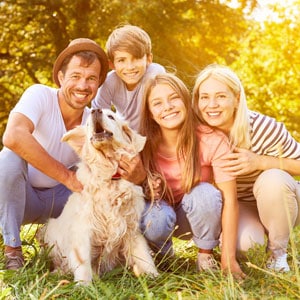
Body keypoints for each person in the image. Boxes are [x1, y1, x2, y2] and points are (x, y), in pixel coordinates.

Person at [0, 38, 109, 270]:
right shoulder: (40, 95)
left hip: (60, 203)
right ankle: (12, 250)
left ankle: (62, 245)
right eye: (76, 76)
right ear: (61, 77)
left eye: (91, 78)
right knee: (7, 159)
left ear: (98, 83)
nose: (83, 85)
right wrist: (68, 177)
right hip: (21, 197)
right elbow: (13, 136)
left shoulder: (94, 121)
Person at [192, 63, 300, 272]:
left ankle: (278, 255)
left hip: (283, 198)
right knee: (248, 244)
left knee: (273, 179)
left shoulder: (263, 127)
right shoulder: (195, 134)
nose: (211, 104)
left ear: (237, 99)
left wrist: (261, 162)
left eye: (221, 96)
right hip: (241, 206)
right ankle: (264, 236)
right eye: (204, 97)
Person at [139, 73, 245, 278]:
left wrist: (228, 259)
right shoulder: (141, 143)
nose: (168, 106)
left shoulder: (211, 139)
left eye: (174, 98)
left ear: (187, 102)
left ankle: (206, 255)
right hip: (162, 214)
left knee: (205, 193)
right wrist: (145, 184)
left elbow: (230, 201)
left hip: (196, 215)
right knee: (153, 216)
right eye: (158, 103)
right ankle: (162, 254)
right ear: (151, 113)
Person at [92, 24, 166, 186]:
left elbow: (165, 107)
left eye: (136, 59)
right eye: (122, 60)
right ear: (112, 64)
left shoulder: (156, 73)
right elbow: (98, 116)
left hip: (153, 137)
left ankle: (155, 186)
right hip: (126, 141)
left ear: (148, 59)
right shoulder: (109, 82)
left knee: (156, 176)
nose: (130, 67)